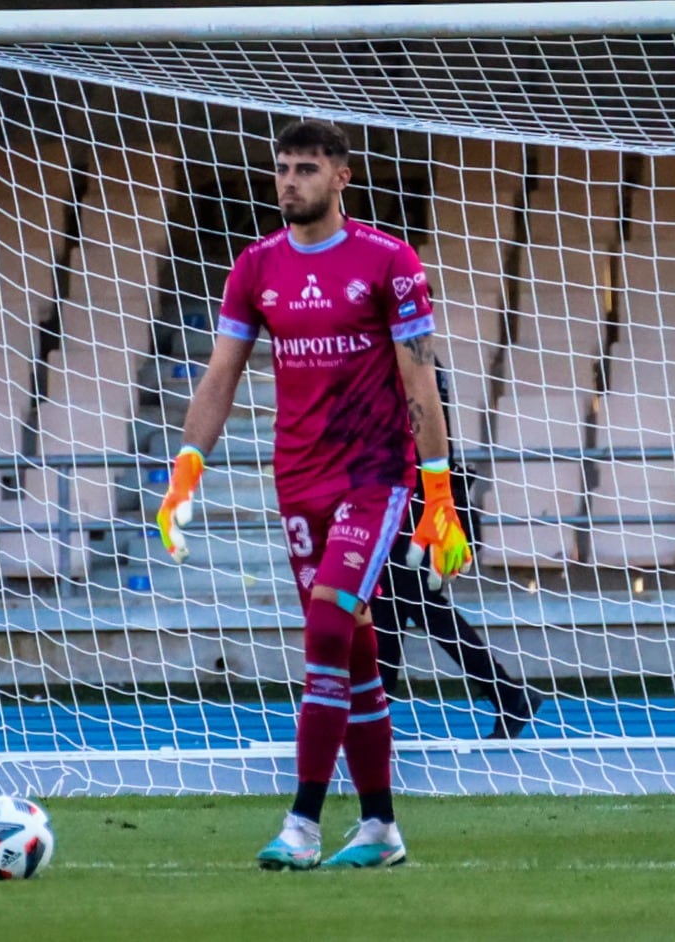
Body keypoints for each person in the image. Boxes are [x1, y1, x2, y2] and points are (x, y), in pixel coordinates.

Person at [155, 118, 471, 870]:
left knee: (328, 628)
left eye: (304, 169)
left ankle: (301, 824)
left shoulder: (389, 262)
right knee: (353, 653)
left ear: (341, 178)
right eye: (282, 168)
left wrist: (438, 493)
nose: (289, 181)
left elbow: (417, 377)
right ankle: (381, 830)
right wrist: (187, 466)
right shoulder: (255, 266)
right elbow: (223, 371)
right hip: (297, 479)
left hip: (373, 476)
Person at [373, 363, 542, 740]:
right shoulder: (414, 356)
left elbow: (423, 429)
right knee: (400, 601)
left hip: (414, 497)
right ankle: (508, 696)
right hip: (410, 492)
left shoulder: (407, 360)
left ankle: (508, 695)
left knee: (409, 599)